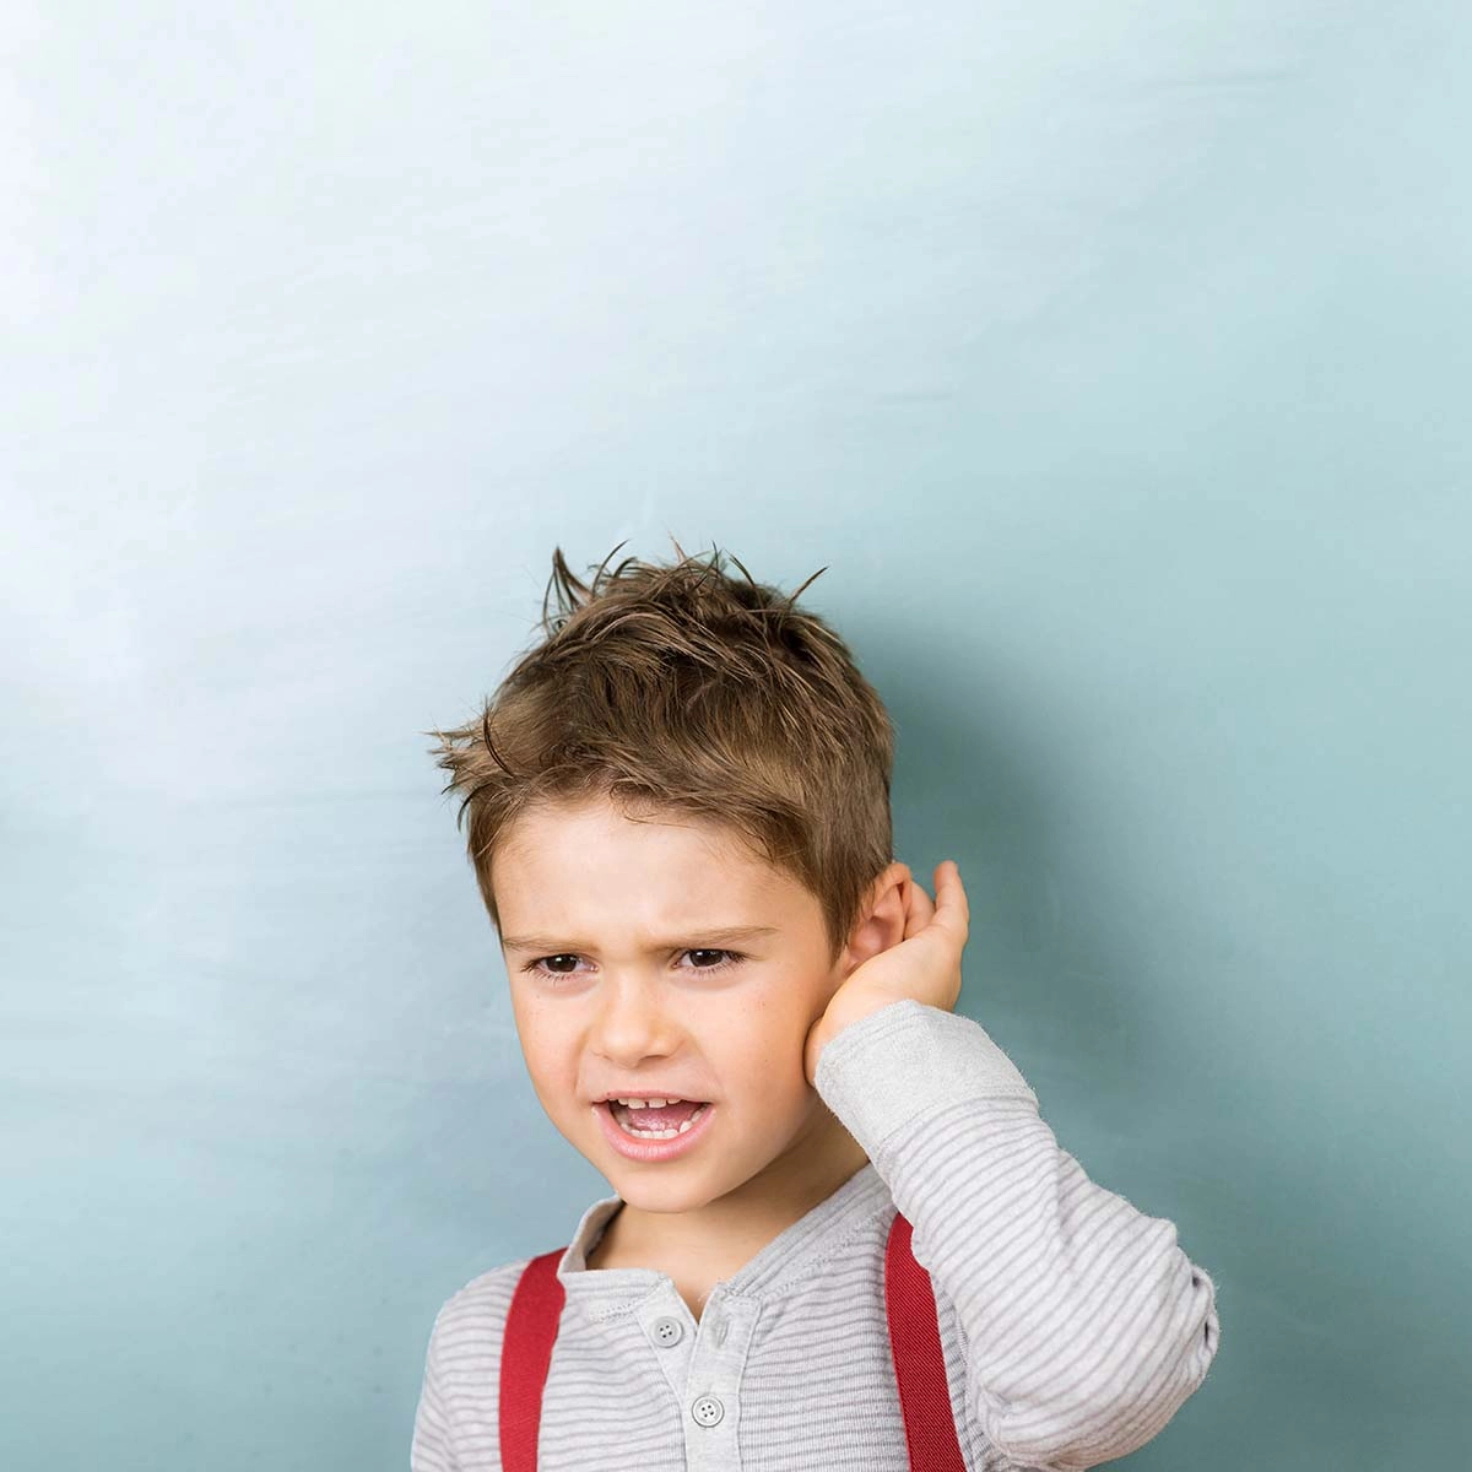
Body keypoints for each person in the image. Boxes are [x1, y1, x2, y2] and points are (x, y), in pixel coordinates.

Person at [410, 540, 1220, 1471]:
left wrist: (889, 1039)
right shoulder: (489, 1353)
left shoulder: (980, 1284)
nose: (628, 1036)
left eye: (703, 955)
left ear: (867, 940)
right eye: (561, 962)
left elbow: (1105, 1382)